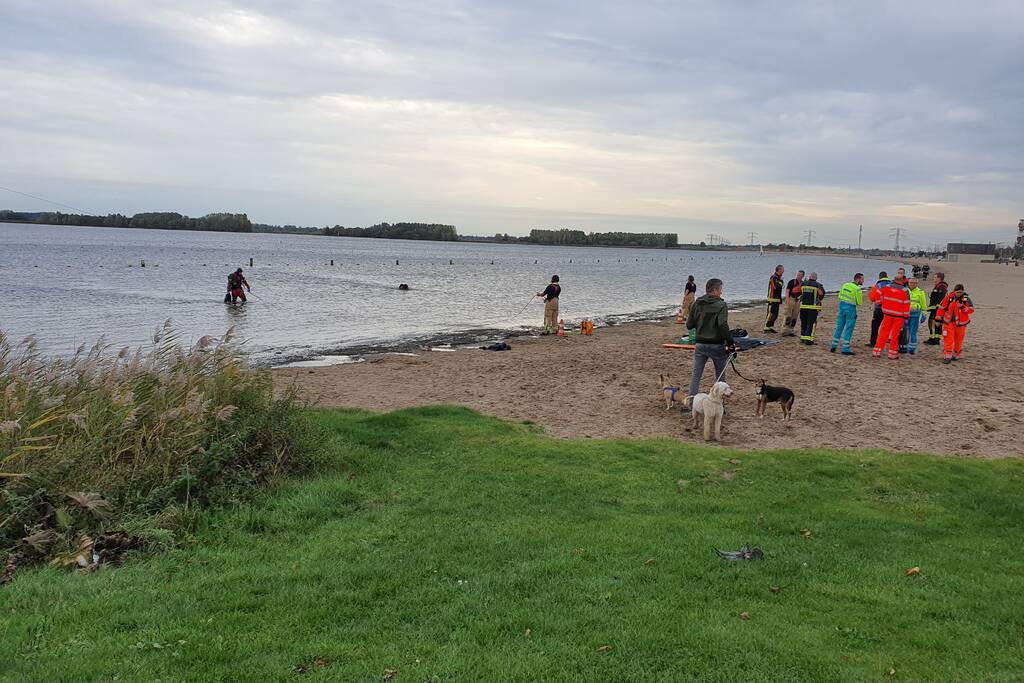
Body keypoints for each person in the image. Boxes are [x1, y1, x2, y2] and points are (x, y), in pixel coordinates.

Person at [686, 278, 735, 400]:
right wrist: (730, 342)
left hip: (700, 344)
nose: (721, 293)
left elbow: (689, 325)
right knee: (720, 376)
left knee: (696, 376)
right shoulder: (721, 305)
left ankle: (692, 403)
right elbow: (722, 324)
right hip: (717, 345)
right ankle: (719, 404)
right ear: (714, 290)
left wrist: (701, 323)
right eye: (720, 290)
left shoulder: (697, 303)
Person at [871, 275, 909, 359]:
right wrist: (906, 316)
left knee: (883, 333)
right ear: (902, 281)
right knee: (895, 335)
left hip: (887, 314)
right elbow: (906, 304)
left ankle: (877, 351)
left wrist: (880, 303)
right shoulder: (905, 290)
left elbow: (877, 294)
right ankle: (892, 354)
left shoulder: (886, 287)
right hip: (899, 316)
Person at [936, 284, 974, 364]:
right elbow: (941, 308)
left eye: (960, 292)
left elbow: (971, 310)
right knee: (948, 339)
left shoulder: (965, 298)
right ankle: (947, 356)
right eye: (957, 292)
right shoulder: (949, 297)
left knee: (958, 340)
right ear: (954, 291)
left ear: (963, 291)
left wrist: (962, 307)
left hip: (960, 324)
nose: (959, 294)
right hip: (948, 322)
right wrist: (938, 319)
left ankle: (956, 354)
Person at [830, 273, 864, 355]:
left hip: (842, 306)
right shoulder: (857, 289)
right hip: (851, 309)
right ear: (858, 279)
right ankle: (845, 348)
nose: (863, 281)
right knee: (849, 328)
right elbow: (859, 302)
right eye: (862, 279)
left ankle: (833, 345)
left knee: (839, 327)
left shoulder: (845, 285)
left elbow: (839, 296)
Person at [798, 272, 826, 345]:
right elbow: (821, 293)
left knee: (803, 323)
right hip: (812, 307)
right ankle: (809, 340)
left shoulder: (803, 283)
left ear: (810, 277)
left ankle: (802, 338)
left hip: (803, 307)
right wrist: (818, 299)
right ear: (816, 278)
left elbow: (798, 291)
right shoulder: (818, 285)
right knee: (811, 323)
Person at [866, 271, 892, 347]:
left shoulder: (876, 286)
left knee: (875, 326)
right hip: (890, 309)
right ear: (887, 276)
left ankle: (873, 342)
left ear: (879, 277)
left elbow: (871, 298)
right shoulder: (892, 285)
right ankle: (886, 340)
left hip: (879, 309)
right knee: (887, 326)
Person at [905, 277, 928, 354]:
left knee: (913, 332)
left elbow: (923, 305)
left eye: (914, 283)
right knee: (905, 331)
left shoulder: (920, 292)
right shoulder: (905, 291)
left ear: (917, 284)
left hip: (915, 314)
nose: (912, 284)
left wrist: (924, 314)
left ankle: (912, 348)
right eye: (910, 282)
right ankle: (904, 346)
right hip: (905, 314)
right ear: (908, 283)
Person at [925, 272, 948, 345]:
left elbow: (940, 299)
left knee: (933, 323)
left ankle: (934, 339)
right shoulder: (939, 286)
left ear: (939, 278)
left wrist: (933, 307)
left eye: (935, 277)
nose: (933, 279)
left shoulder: (942, 287)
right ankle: (934, 339)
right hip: (935, 308)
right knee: (934, 324)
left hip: (937, 309)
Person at [762, 265, 785, 333]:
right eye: (782, 270)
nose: (783, 271)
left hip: (777, 299)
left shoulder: (779, 278)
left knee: (775, 314)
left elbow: (780, 288)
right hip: (772, 298)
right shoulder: (773, 277)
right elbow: (776, 287)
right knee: (770, 313)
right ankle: (766, 327)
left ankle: (770, 326)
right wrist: (781, 284)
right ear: (778, 270)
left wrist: (780, 298)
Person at [781, 270, 804, 336]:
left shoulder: (803, 283)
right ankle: (784, 330)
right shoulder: (791, 282)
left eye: (800, 275)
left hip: (798, 301)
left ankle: (791, 330)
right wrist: (787, 300)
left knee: (795, 316)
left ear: (803, 276)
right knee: (788, 315)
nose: (798, 276)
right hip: (791, 299)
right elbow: (787, 291)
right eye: (797, 275)